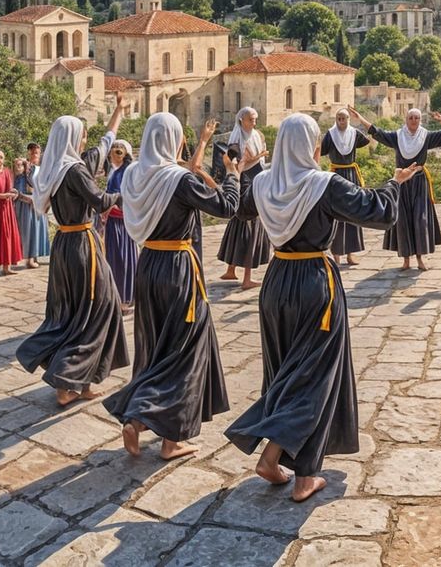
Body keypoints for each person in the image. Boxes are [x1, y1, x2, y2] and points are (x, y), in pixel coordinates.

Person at [227, 113, 409, 502]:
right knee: (316, 376)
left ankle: (276, 455)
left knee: (285, 371)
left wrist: (239, 170)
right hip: (314, 284)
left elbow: (240, 210)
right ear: (310, 144)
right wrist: (394, 183)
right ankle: (302, 472)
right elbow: (381, 212)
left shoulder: (263, 183)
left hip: (276, 282)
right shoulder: (322, 185)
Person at [106, 112, 241, 460]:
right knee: (185, 349)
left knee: (155, 347)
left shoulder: (134, 174)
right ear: (174, 139)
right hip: (179, 268)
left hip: (148, 264)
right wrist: (232, 175)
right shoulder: (179, 180)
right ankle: (171, 439)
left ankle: (137, 419)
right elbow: (226, 207)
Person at [19, 96, 132, 407]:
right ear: (71, 138)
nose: (85, 137)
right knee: (99, 308)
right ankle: (66, 381)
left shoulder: (52, 169)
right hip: (83, 246)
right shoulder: (76, 171)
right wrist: (122, 194)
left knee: (72, 311)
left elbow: (103, 144)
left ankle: (82, 383)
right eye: (81, 133)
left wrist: (119, 113)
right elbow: (99, 201)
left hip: (63, 246)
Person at [355, 106, 441, 271]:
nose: (414, 120)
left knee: (420, 220)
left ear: (420, 120)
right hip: (402, 183)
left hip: (419, 182)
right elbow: (377, 132)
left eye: (417, 118)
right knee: (403, 221)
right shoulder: (397, 136)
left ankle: (420, 258)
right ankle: (406, 260)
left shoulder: (426, 136)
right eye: (411, 118)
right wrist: (360, 118)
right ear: (406, 120)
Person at [216, 106, 271, 288]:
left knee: (239, 225)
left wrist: (258, 157)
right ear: (241, 120)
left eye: (255, 119)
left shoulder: (256, 135)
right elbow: (238, 165)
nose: (254, 123)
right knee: (249, 227)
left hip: (254, 179)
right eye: (250, 119)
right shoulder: (235, 141)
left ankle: (231, 270)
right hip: (245, 184)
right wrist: (259, 156)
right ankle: (247, 278)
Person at [320, 108, 372, 267]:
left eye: (344, 118)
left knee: (352, 214)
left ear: (349, 119)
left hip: (351, 175)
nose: (341, 121)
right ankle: (336, 257)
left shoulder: (354, 134)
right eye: (339, 118)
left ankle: (350, 254)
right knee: (336, 215)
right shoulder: (330, 134)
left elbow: (366, 141)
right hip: (336, 176)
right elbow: (322, 150)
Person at [103, 139, 137, 313]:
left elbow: (122, 196)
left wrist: (107, 209)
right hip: (114, 219)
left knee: (122, 259)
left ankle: (124, 298)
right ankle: (120, 296)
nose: (115, 152)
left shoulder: (124, 172)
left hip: (120, 220)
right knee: (116, 258)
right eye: (113, 149)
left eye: (119, 150)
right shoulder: (113, 171)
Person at [0, 150, 24, 275]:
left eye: (1, 157)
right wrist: (3, 196)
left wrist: (13, 192)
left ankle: (7, 267)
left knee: (8, 236)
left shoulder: (7, 172)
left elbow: (9, 188)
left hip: (7, 209)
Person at [15, 142, 50, 269]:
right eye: (33, 152)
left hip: (39, 203)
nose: (35, 154)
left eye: (37, 152)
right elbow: (19, 186)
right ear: (28, 153)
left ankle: (35, 257)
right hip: (28, 203)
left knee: (38, 230)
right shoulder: (25, 167)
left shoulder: (42, 168)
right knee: (29, 230)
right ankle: (29, 259)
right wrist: (28, 199)